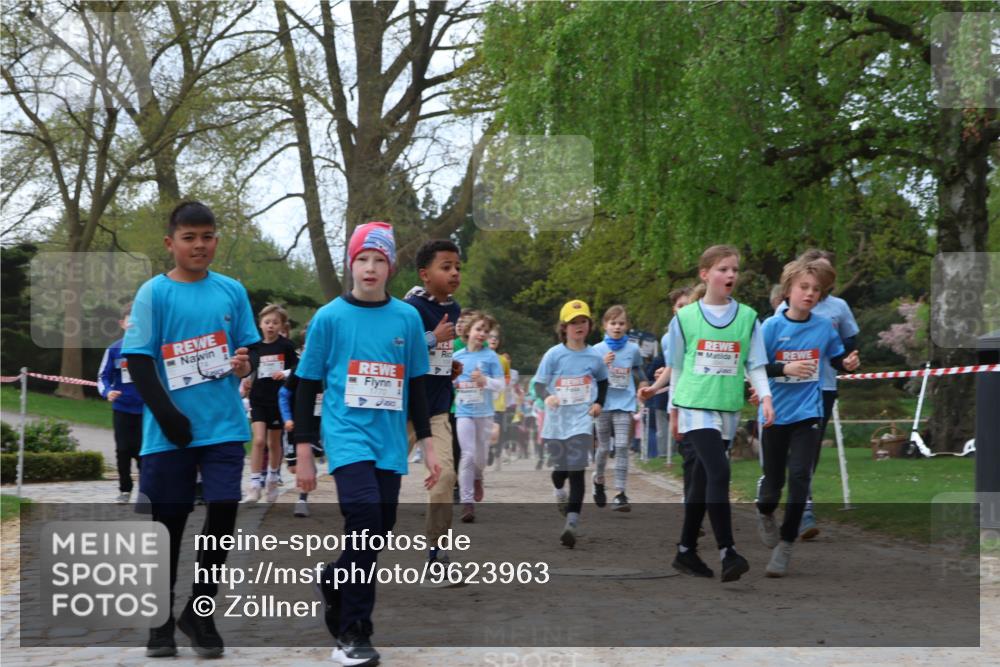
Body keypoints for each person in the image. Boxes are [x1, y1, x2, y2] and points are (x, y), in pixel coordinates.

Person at [293, 222, 441, 667]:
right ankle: (355, 631)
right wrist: (304, 450)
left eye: (379, 260)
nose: (370, 268)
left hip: (389, 442)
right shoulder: (330, 318)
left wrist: (429, 444)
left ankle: (335, 579)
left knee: (378, 528)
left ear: (391, 267)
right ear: (351, 263)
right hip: (345, 435)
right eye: (362, 259)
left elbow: (417, 384)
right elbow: (305, 387)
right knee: (364, 516)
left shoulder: (407, 318)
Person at [123, 201, 258, 658]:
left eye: (207, 236)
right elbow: (139, 361)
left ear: (216, 239)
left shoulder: (232, 291)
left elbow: (249, 350)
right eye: (189, 237)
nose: (199, 245)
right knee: (170, 525)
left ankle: (199, 614)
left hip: (222, 427)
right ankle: (159, 621)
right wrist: (167, 415)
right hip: (168, 433)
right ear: (170, 243)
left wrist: (244, 363)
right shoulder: (154, 294)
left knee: (223, 513)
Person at [661, 245, 774, 582]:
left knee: (699, 483)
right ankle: (728, 552)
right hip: (694, 405)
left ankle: (685, 551)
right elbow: (677, 367)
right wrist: (673, 411)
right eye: (724, 269)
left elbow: (755, 364)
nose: (731, 276)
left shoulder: (748, 318)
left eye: (735, 270)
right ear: (705, 274)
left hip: (727, 408)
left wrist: (766, 397)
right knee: (719, 472)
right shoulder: (684, 318)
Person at [756, 258, 860, 576]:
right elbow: (756, 367)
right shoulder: (771, 327)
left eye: (816, 289)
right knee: (773, 483)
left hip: (808, 412)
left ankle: (786, 546)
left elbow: (836, 356)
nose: (810, 294)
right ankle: (765, 512)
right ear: (788, 289)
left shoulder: (823, 328)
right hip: (775, 414)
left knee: (801, 476)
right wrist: (785, 368)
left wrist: (848, 363)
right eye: (804, 287)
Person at [775, 249, 860, 539]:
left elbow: (847, 344)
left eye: (821, 278)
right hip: (787, 393)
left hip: (823, 387)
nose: (814, 285)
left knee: (807, 453)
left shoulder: (837, 309)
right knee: (784, 456)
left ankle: (804, 511)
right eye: (808, 279)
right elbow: (767, 357)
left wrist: (848, 361)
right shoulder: (781, 313)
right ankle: (775, 494)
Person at [404, 239, 464, 567]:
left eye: (458, 267)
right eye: (446, 267)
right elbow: (394, 350)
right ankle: (359, 550)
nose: (454, 273)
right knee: (377, 478)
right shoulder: (409, 308)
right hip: (401, 407)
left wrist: (447, 364)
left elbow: (432, 356)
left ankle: (436, 552)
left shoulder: (453, 308)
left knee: (444, 477)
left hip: (437, 406)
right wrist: (433, 339)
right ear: (425, 274)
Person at [533, 299, 609, 548]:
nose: (579, 326)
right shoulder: (554, 355)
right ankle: (558, 492)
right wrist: (548, 397)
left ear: (590, 325)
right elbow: (539, 384)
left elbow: (604, 381)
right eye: (573, 322)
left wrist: (598, 402)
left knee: (577, 470)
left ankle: (572, 524)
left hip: (581, 420)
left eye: (583, 322)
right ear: (563, 327)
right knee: (561, 471)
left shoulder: (594, 356)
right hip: (557, 423)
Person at [591, 305, 647, 511]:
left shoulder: (633, 349)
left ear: (627, 326)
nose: (617, 327)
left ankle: (620, 493)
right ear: (605, 325)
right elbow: (588, 377)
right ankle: (598, 480)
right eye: (613, 323)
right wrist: (601, 364)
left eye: (621, 323)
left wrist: (643, 385)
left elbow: (639, 371)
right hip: (603, 403)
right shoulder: (596, 350)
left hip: (625, 403)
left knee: (622, 445)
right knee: (604, 447)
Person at [453, 312, 505, 523]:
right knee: (468, 454)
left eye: (486, 331)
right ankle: (467, 503)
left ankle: (478, 477)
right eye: (478, 329)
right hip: (463, 411)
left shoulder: (491, 357)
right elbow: (449, 383)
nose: (482, 334)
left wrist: (485, 380)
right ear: (468, 331)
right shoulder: (457, 357)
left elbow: (501, 386)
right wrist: (454, 384)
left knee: (480, 458)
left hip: (484, 412)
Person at [246, 303, 298, 503]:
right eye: (267, 322)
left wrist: (284, 373)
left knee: (273, 442)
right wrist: (245, 382)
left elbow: (297, 366)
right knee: (258, 441)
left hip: (278, 400)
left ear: (282, 326)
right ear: (260, 324)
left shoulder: (286, 346)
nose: (270, 326)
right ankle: (254, 485)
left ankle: (273, 478)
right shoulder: (255, 346)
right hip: (258, 398)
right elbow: (250, 368)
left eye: (275, 323)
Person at [97, 300, 145, 504]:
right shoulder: (114, 350)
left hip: (147, 409)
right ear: (122, 323)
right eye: (131, 323)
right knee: (123, 450)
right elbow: (102, 377)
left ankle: (147, 490)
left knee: (145, 451)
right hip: (123, 408)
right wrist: (107, 392)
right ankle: (125, 489)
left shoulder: (149, 349)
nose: (134, 326)